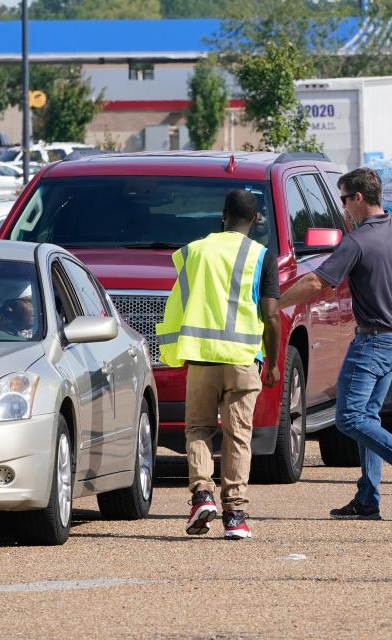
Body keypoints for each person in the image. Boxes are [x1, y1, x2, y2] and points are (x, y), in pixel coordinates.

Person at [278, 167, 392, 520]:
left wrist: (276, 302)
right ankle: (368, 499)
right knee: (368, 416)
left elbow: (318, 282)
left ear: (359, 198)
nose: (342, 207)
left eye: (344, 199)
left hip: (375, 341)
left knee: (349, 418)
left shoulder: (356, 241)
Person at [156, 190, 281, 540]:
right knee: (237, 435)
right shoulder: (262, 257)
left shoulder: (193, 252)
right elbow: (271, 315)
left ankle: (201, 495)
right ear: (256, 220)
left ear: (223, 215)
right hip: (243, 360)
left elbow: (176, 305)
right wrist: (272, 362)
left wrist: (173, 351)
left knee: (197, 429)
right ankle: (235, 515)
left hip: (202, 358)